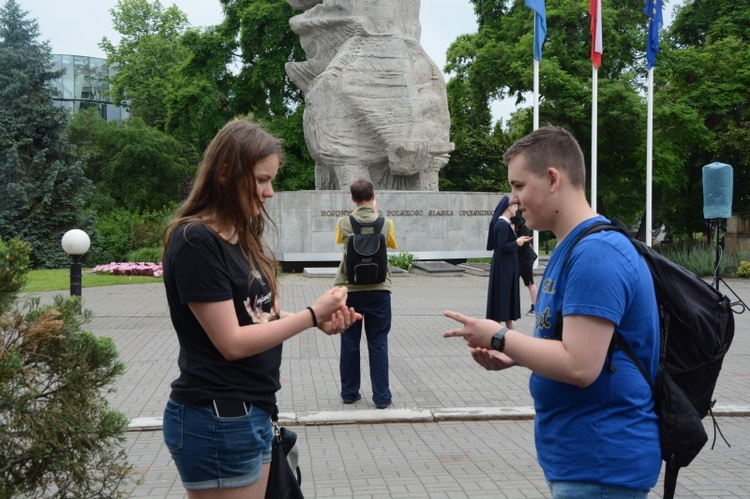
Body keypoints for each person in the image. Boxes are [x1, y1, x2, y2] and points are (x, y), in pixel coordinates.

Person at [443, 125, 661, 498]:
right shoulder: (572, 248)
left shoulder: (597, 254)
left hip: (601, 465)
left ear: (553, 179)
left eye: (519, 185)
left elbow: (579, 365)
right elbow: (567, 347)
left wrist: (499, 335)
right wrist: (513, 353)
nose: (513, 199)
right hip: (582, 462)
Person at [161, 119, 361, 498]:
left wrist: (316, 323)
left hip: (252, 411)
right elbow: (231, 342)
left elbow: (259, 318)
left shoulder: (240, 237)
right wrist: (311, 315)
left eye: (272, 180)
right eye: (261, 180)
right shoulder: (195, 241)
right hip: (216, 417)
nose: (270, 192)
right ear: (224, 174)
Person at [334, 179, 398, 409]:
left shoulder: (343, 223)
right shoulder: (386, 223)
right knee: (378, 341)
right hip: (379, 290)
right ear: (373, 197)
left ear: (353, 198)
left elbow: (339, 240)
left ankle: (349, 393)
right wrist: (375, 214)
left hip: (350, 290)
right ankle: (381, 396)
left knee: (349, 341)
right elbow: (392, 244)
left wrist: (355, 214)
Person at [486, 195, 531, 330]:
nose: (516, 210)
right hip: (504, 267)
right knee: (503, 295)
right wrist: (517, 242)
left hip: (505, 266)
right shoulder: (502, 224)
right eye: (515, 207)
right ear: (508, 207)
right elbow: (502, 246)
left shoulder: (503, 224)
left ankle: (505, 329)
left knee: (504, 296)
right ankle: (499, 330)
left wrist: (518, 239)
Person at [511, 211, 538, 316]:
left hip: (525, 259)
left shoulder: (523, 227)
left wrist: (514, 236)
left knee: (530, 283)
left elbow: (522, 243)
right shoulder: (519, 227)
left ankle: (535, 307)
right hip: (519, 258)